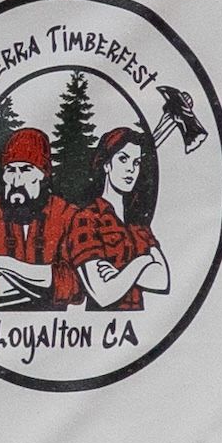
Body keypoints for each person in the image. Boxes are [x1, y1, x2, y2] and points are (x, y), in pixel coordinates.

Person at [60, 126, 170, 312]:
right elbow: (103, 294)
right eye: (123, 159)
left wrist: (120, 271)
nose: (131, 169)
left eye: (136, 163)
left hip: (138, 327)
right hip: (99, 328)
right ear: (106, 165)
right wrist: (144, 262)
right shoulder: (86, 218)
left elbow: (163, 280)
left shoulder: (138, 224)